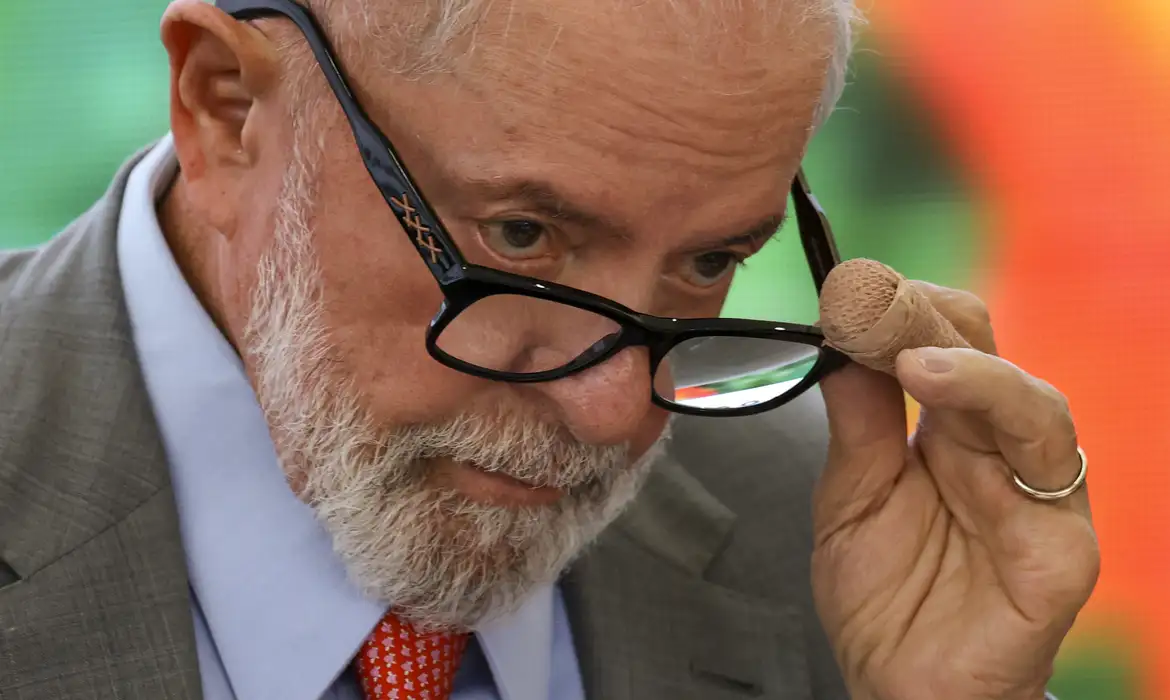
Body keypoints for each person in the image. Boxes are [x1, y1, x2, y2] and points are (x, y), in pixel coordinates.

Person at [0, 0, 1098, 698]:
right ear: (227, 108)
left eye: (710, 260)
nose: (617, 412)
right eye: (521, 237)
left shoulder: (818, 529)